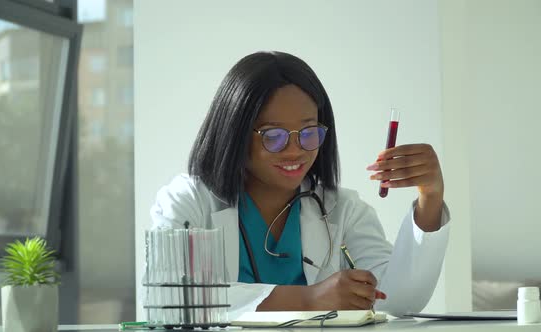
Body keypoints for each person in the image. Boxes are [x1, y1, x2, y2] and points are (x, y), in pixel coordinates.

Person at [150, 51, 450, 318]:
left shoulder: (342, 210)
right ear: (235, 133)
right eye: (273, 135)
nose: (295, 151)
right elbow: (172, 300)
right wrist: (309, 298)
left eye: (308, 132)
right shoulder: (188, 201)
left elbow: (397, 301)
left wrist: (431, 197)